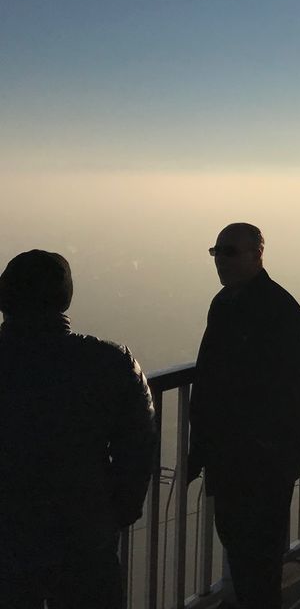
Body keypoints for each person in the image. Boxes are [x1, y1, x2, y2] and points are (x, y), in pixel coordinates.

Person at [0, 250, 156, 609]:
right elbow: (139, 441)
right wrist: (119, 509)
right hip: (84, 534)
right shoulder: (109, 362)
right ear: (65, 298)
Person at [188, 224, 300, 609]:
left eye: (229, 252)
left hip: (262, 456)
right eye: (216, 252)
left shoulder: (281, 309)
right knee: (239, 544)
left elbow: (274, 388)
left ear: (258, 253)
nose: (221, 260)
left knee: (259, 553)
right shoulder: (223, 303)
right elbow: (210, 376)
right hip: (231, 454)